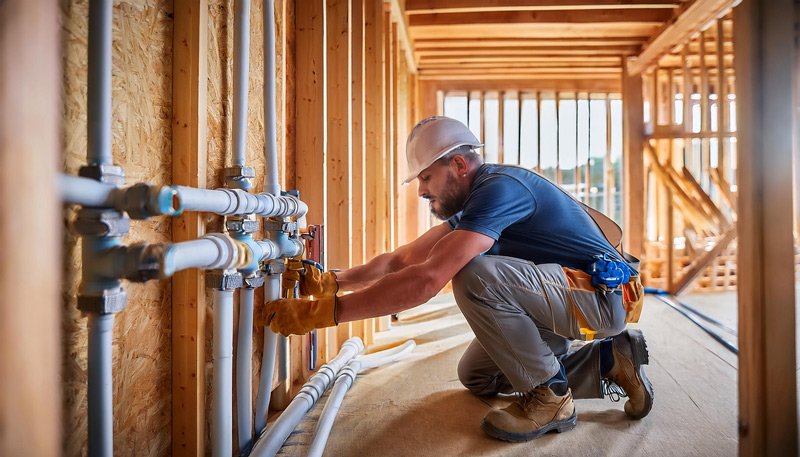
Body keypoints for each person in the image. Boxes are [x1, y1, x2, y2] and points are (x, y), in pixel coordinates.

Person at [259, 116, 653, 442]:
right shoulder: (476, 202)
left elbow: (428, 279)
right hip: (565, 296)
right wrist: (335, 281)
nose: (421, 191)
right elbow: (405, 258)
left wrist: (330, 313)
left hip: (602, 297)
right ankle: (608, 360)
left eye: (426, 177)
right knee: (478, 377)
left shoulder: (501, 190)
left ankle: (550, 396)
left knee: (474, 274)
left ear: (459, 166)